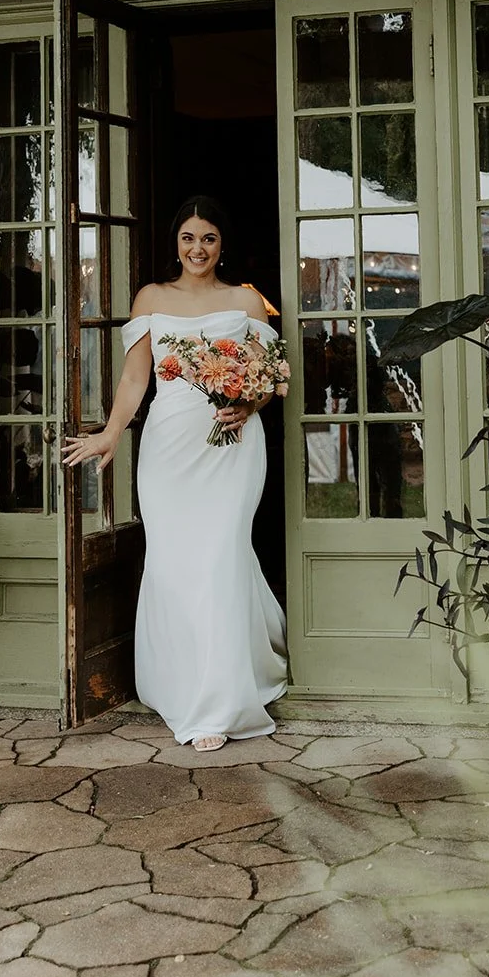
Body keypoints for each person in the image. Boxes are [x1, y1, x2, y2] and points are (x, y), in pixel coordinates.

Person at [62, 194, 287, 751]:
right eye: (188, 238)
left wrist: (249, 404)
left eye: (208, 238)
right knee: (177, 562)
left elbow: (274, 380)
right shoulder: (152, 298)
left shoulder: (246, 301)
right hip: (169, 447)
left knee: (219, 556)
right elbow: (136, 379)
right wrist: (112, 432)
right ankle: (181, 684)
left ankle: (217, 701)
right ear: (175, 242)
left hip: (231, 444)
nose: (197, 248)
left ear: (222, 244)